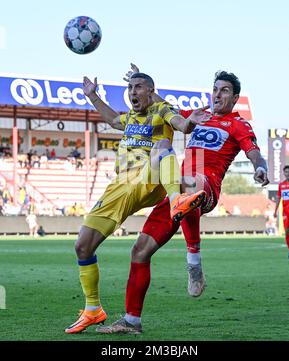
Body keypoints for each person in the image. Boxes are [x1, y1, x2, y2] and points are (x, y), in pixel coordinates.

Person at [96, 67, 269, 334]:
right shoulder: (199, 115)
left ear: (235, 98)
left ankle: (194, 262)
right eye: (215, 89)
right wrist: (140, 84)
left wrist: (260, 167)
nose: (217, 95)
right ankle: (131, 320)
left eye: (224, 91)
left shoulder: (238, 124)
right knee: (139, 251)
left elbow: (254, 151)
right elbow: (168, 112)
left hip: (205, 187)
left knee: (190, 183)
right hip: (177, 191)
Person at [65, 72, 206, 334]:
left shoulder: (161, 110)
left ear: (151, 91)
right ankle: (93, 310)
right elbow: (110, 118)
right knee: (82, 246)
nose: (132, 92)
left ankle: (177, 200)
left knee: (163, 144)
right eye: (129, 87)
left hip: (148, 176)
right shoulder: (129, 118)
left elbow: (181, 124)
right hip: (120, 186)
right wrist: (92, 95)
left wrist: (190, 123)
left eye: (138, 87)